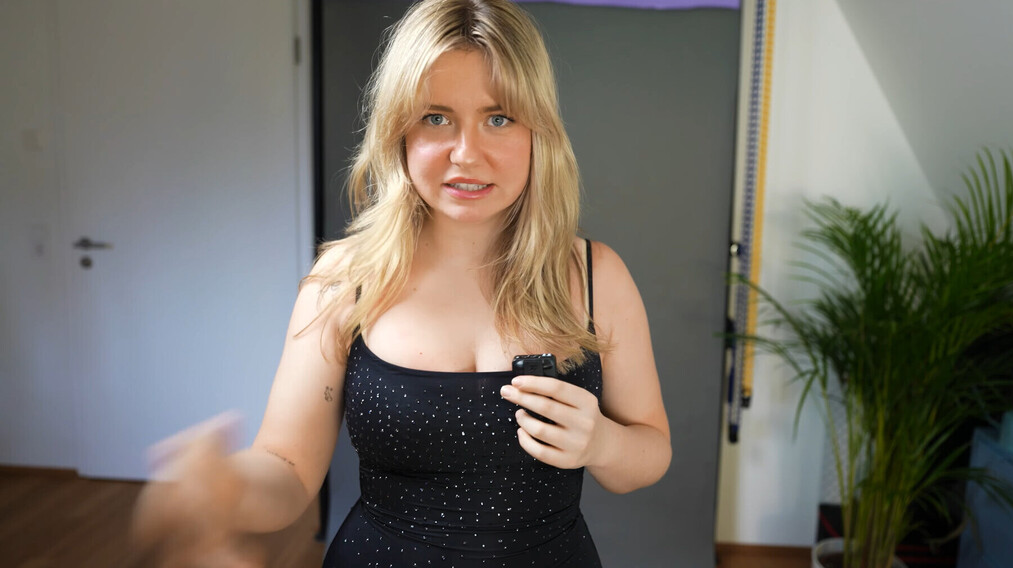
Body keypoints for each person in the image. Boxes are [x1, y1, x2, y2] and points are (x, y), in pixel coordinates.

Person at [132, 0, 671, 565]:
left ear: (539, 131)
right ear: (399, 131)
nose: (467, 154)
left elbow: (650, 452)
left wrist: (603, 442)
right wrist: (222, 489)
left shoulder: (596, 275)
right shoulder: (344, 281)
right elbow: (287, 468)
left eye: (499, 118)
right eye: (436, 118)